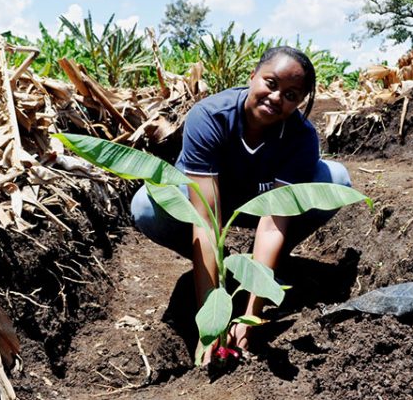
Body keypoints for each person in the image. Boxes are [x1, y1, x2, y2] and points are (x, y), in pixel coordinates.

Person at [130, 46, 350, 362]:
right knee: (147, 205)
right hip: (209, 200)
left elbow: (274, 222)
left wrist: (251, 315)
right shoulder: (210, 117)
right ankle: (220, 265)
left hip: (261, 206)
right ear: (252, 77)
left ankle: (266, 267)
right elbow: (205, 223)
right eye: (270, 84)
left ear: (300, 102)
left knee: (336, 180)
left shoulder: (301, 137)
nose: (276, 97)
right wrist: (212, 327)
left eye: (290, 95)